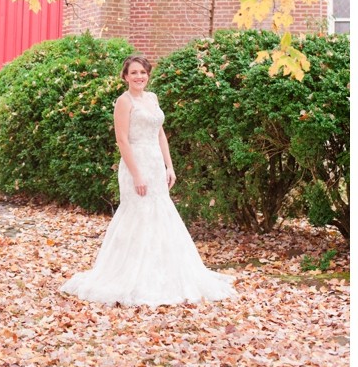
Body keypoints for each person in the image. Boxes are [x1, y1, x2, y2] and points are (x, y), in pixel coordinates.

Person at [60, 55, 237, 306]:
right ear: (125, 76)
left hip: (155, 163)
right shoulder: (124, 102)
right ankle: (131, 274)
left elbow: (160, 133)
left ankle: (164, 272)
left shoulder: (152, 98)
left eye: (142, 72)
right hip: (136, 164)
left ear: (148, 75)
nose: (139, 77)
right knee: (138, 215)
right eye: (133, 73)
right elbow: (122, 140)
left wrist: (169, 166)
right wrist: (136, 174)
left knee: (160, 213)